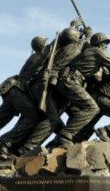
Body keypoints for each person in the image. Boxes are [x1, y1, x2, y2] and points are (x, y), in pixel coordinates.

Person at [15, 23, 93, 155]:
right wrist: (88, 33)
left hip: (48, 85)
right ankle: (27, 148)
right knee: (52, 119)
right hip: (48, 86)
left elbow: (60, 41)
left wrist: (73, 27)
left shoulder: (59, 50)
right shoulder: (75, 47)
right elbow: (86, 41)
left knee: (55, 117)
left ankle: (60, 140)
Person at [49, 32, 110, 148]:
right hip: (71, 81)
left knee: (77, 112)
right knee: (92, 108)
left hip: (67, 80)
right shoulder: (98, 52)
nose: (106, 46)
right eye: (105, 43)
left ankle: (56, 143)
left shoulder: (88, 52)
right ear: (99, 44)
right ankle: (64, 136)